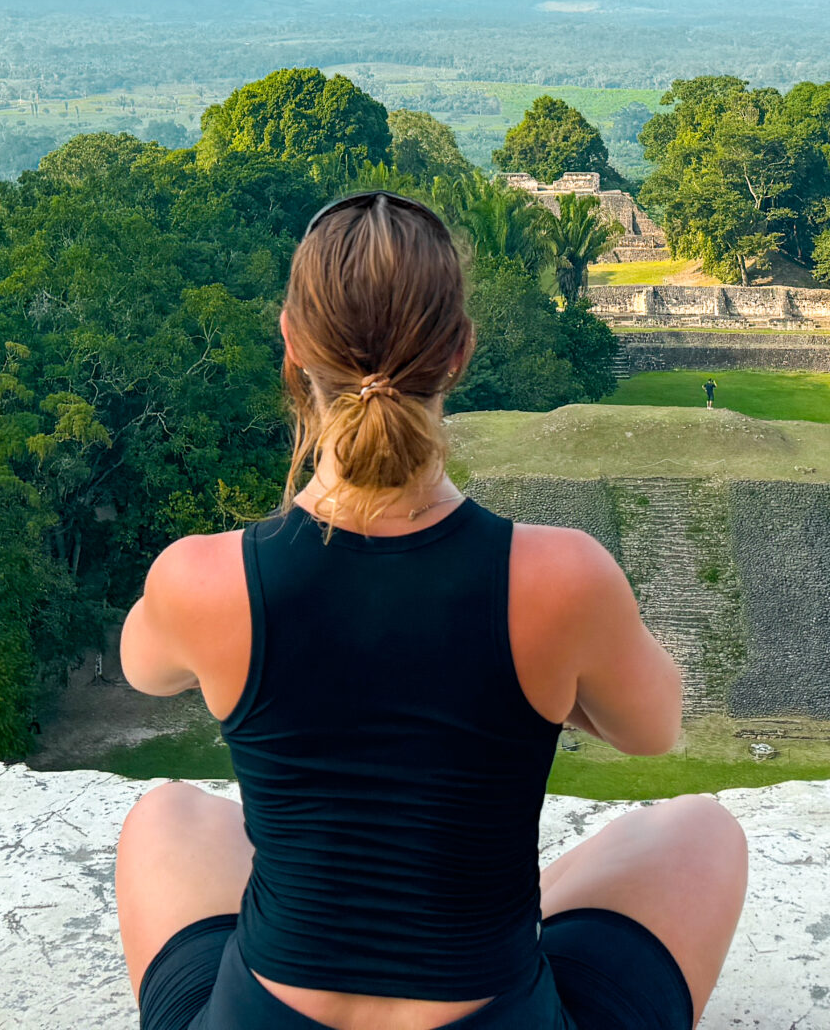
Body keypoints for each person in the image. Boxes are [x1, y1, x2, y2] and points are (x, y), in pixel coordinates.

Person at [117, 191, 747, 1030]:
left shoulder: (203, 578)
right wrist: (542, 692)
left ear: (293, 342)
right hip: (497, 1010)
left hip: (261, 1015)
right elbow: (654, 726)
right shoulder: (558, 578)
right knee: (702, 831)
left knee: (167, 813)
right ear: (459, 351)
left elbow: (142, 668)